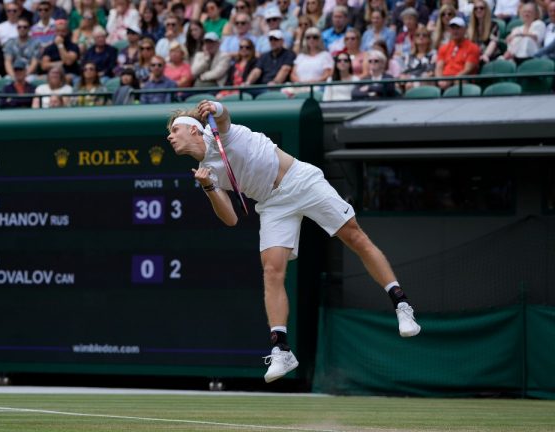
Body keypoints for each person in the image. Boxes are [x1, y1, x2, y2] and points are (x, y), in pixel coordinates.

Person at [165, 100, 421, 383]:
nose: (169, 136)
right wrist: (209, 187)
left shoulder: (223, 134)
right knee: (272, 270)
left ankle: (401, 305)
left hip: (301, 181)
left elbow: (223, 116)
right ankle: (281, 350)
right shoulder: (205, 171)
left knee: (354, 236)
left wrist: (215, 105)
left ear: (194, 130)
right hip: (273, 204)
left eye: (175, 129)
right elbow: (231, 219)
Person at [283, 26, 333, 96]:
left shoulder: (325, 55)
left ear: (319, 39)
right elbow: (293, 74)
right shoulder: (301, 56)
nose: (311, 39)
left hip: (317, 87)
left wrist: (315, 82)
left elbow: (328, 74)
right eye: (308, 37)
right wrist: (301, 82)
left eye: (315, 37)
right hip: (300, 86)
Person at [435, 17, 479, 90]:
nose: (455, 31)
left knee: (459, 81)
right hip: (445, 78)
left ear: (464, 29)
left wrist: (451, 80)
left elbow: (468, 69)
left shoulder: (472, 47)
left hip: (461, 79)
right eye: (453, 28)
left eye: (458, 28)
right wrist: (440, 80)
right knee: (427, 80)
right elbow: (439, 67)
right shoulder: (444, 47)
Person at [467, 0, 501, 65]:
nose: (478, 10)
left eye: (481, 8)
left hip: (491, 57)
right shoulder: (471, 27)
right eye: (475, 8)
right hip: (475, 57)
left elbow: (493, 43)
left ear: (486, 10)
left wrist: (486, 55)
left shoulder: (494, 25)